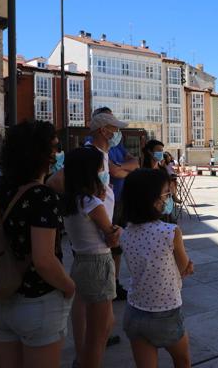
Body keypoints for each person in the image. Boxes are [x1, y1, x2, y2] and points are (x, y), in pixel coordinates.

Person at [0, 120, 76, 368]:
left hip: (4, 297)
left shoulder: (1, 190)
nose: (57, 154)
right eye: (54, 148)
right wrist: (69, 286)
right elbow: (44, 260)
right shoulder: (42, 196)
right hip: (38, 301)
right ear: (40, 154)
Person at [48, 107, 130, 359]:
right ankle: (88, 351)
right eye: (115, 129)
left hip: (88, 243)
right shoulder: (88, 155)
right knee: (101, 325)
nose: (117, 133)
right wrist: (89, 196)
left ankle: (85, 350)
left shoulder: (98, 159)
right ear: (104, 130)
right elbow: (54, 182)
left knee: (89, 307)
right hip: (95, 245)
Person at [121, 168, 193, 368]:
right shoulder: (170, 232)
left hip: (135, 311)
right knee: (182, 360)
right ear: (153, 200)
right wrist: (187, 267)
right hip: (166, 312)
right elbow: (184, 266)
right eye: (166, 194)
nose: (169, 198)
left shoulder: (125, 233)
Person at [63, 146, 122, 368]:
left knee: (99, 325)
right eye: (100, 169)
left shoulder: (73, 201)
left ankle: (82, 360)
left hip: (81, 261)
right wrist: (116, 229)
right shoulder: (93, 204)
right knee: (100, 332)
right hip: (98, 264)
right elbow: (112, 238)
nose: (103, 173)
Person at [108, 134, 139, 301]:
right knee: (108, 242)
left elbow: (135, 162)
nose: (116, 132)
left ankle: (115, 282)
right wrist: (126, 169)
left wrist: (120, 167)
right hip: (107, 202)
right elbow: (114, 172)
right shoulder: (95, 147)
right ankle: (108, 283)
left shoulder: (117, 145)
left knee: (118, 246)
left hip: (120, 200)